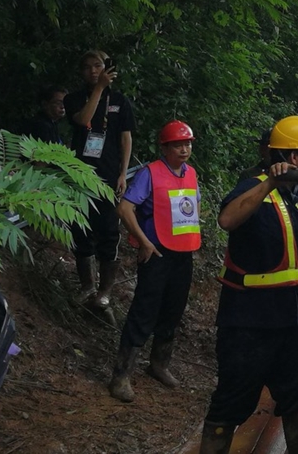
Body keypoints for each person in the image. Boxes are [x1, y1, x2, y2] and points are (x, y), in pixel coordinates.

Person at [200, 115, 298, 454]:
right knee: (231, 404)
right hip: (247, 323)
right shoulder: (252, 186)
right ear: (294, 158)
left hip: (290, 321)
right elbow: (227, 219)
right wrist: (268, 182)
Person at [109, 120, 200, 402]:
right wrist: (144, 241)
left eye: (187, 144)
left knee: (173, 310)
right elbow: (125, 208)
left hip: (183, 254)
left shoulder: (191, 174)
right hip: (157, 253)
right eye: (178, 145)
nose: (184, 149)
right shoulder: (150, 173)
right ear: (164, 147)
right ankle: (121, 375)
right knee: (144, 311)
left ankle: (159, 365)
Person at [63, 49, 135, 307]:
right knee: (80, 228)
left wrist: (123, 174)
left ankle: (104, 292)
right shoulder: (73, 99)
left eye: (98, 66)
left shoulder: (120, 101)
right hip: (79, 175)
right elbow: (83, 120)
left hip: (108, 176)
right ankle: (86, 286)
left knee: (107, 231)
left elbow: (126, 138)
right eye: (88, 67)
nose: (93, 71)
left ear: (108, 68)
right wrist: (98, 90)